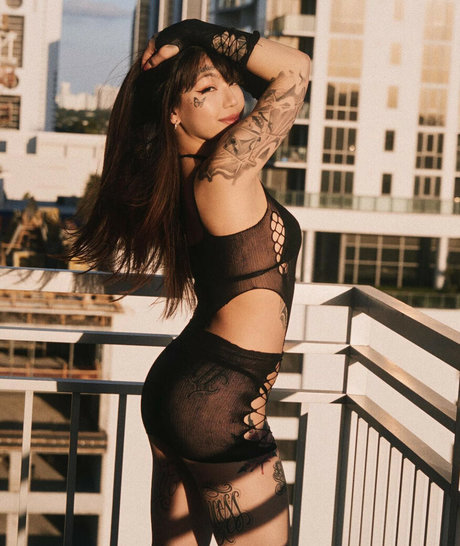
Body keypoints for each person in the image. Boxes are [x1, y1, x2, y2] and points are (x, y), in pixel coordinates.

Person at [70, 19, 309, 546]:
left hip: (178, 390)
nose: (233, 97)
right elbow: (295, 69)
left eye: (231, 83)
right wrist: (193, 30)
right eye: (207, 88)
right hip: (220, 405)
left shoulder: (180, 177)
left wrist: (198, 53)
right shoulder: (223, 172)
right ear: (173, 111)